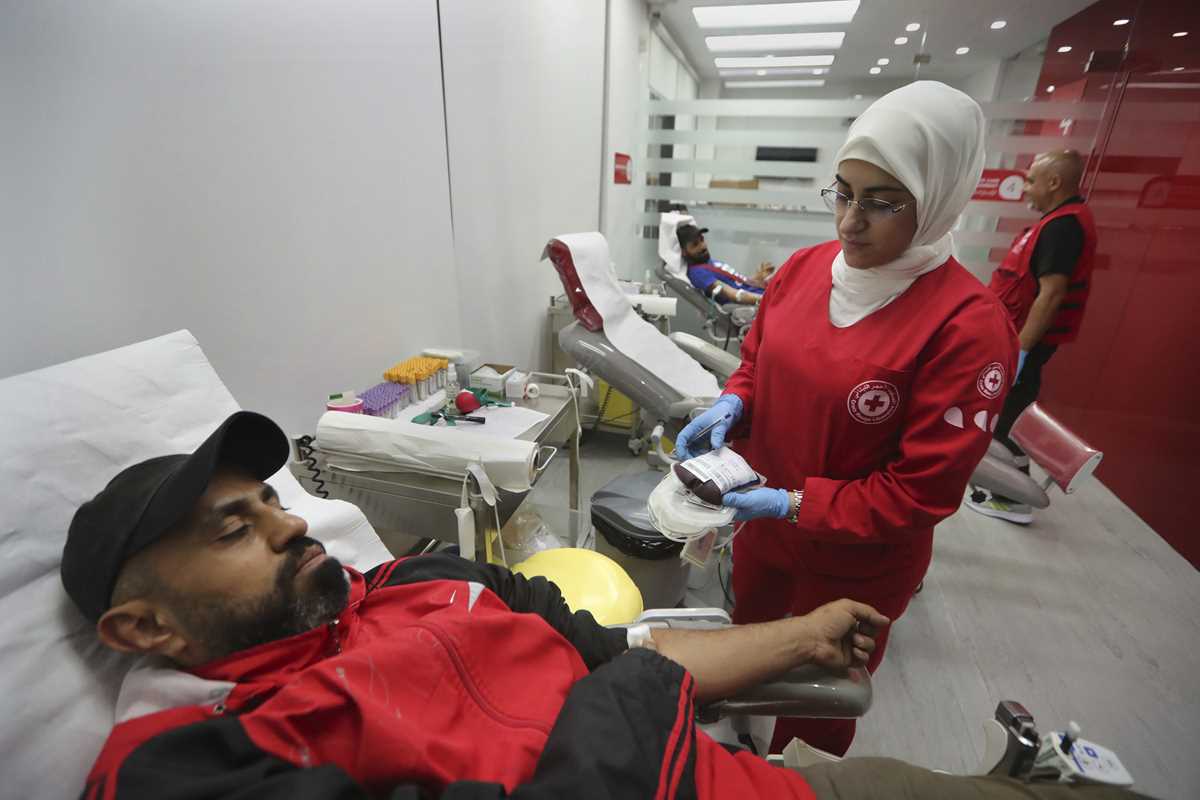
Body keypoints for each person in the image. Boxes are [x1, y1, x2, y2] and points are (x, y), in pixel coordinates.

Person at [61, 412, 1148, 799]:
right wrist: (626, 698)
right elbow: (633, 680)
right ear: (143, 629)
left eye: (272, 501)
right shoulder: (185, 762)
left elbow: (623, 646)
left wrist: (798, 634)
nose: (290, 524)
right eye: (233, 529)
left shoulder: (421, 580)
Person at [674, 81, 1019, 758]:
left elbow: (920, 491)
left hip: (858, 562)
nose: (850, 222)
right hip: (766, 535)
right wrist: (734, 402)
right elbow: (756, 363)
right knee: (743, 656)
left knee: (816, 708)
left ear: (939, 198)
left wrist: (794, 502)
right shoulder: (804, 271)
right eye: (843, 192)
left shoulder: (968, 327)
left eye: (882, 202)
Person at [966, 150, 1097, 524]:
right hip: (1016, 340)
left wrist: (1020, 353)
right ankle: (1008, 492)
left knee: (1009, 419)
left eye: (1031, 180)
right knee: (1006, 416)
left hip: (1024, 344)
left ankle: (1013, 500)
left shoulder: (1063, 228)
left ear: (1054, 182)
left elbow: (1051, 294)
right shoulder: (1056, 223)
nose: (1025, 188)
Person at [678, 223, 773, 325]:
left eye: (702, 240)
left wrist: (759, 278)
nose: (703, 246)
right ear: (684, 252)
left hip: (763, 294)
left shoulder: (708, 263)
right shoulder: (698, 273)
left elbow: (737, 284)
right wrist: (767, 298)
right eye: (695, 245)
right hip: (763, 303)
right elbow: (734, 295)